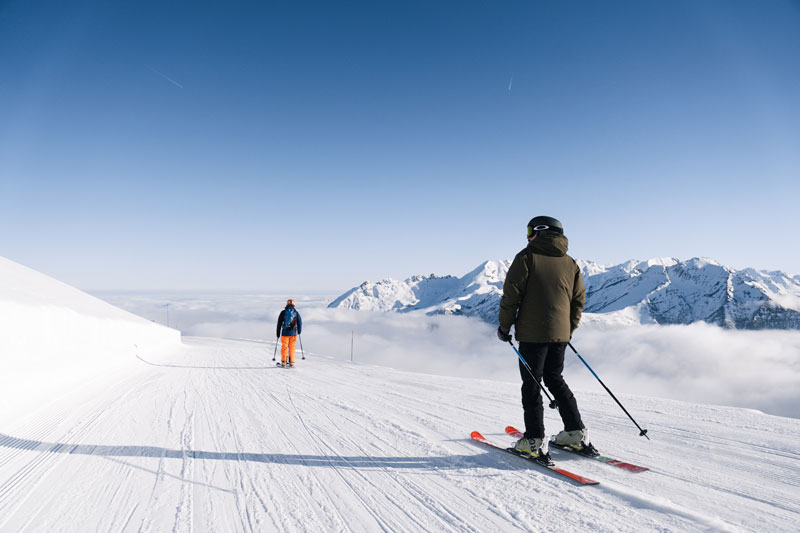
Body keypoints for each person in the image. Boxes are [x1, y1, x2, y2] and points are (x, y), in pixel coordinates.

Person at [497, 216, 596, 460]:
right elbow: (578, 300)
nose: (527, 235)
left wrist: (504, 326)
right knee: (554, 378)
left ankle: (534, 440)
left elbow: (512, 295)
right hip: (560, 335)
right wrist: (568, 328)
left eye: (530, 230)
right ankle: (575, 432)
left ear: (540, 232)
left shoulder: (526, 257)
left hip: (532, 334)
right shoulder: (570, 262)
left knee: (532, 383)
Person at [276, 299, 302, 367]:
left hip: (285, 333)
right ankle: (291, 362)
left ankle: (284, 362)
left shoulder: (283, 312)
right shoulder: (296, 313)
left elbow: (279, 323)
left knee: (284, 347)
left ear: (286, 304)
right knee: (292, 347)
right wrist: (299, 331)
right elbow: (300, 323)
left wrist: (278, 333)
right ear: (293, 304)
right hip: (293, 334)